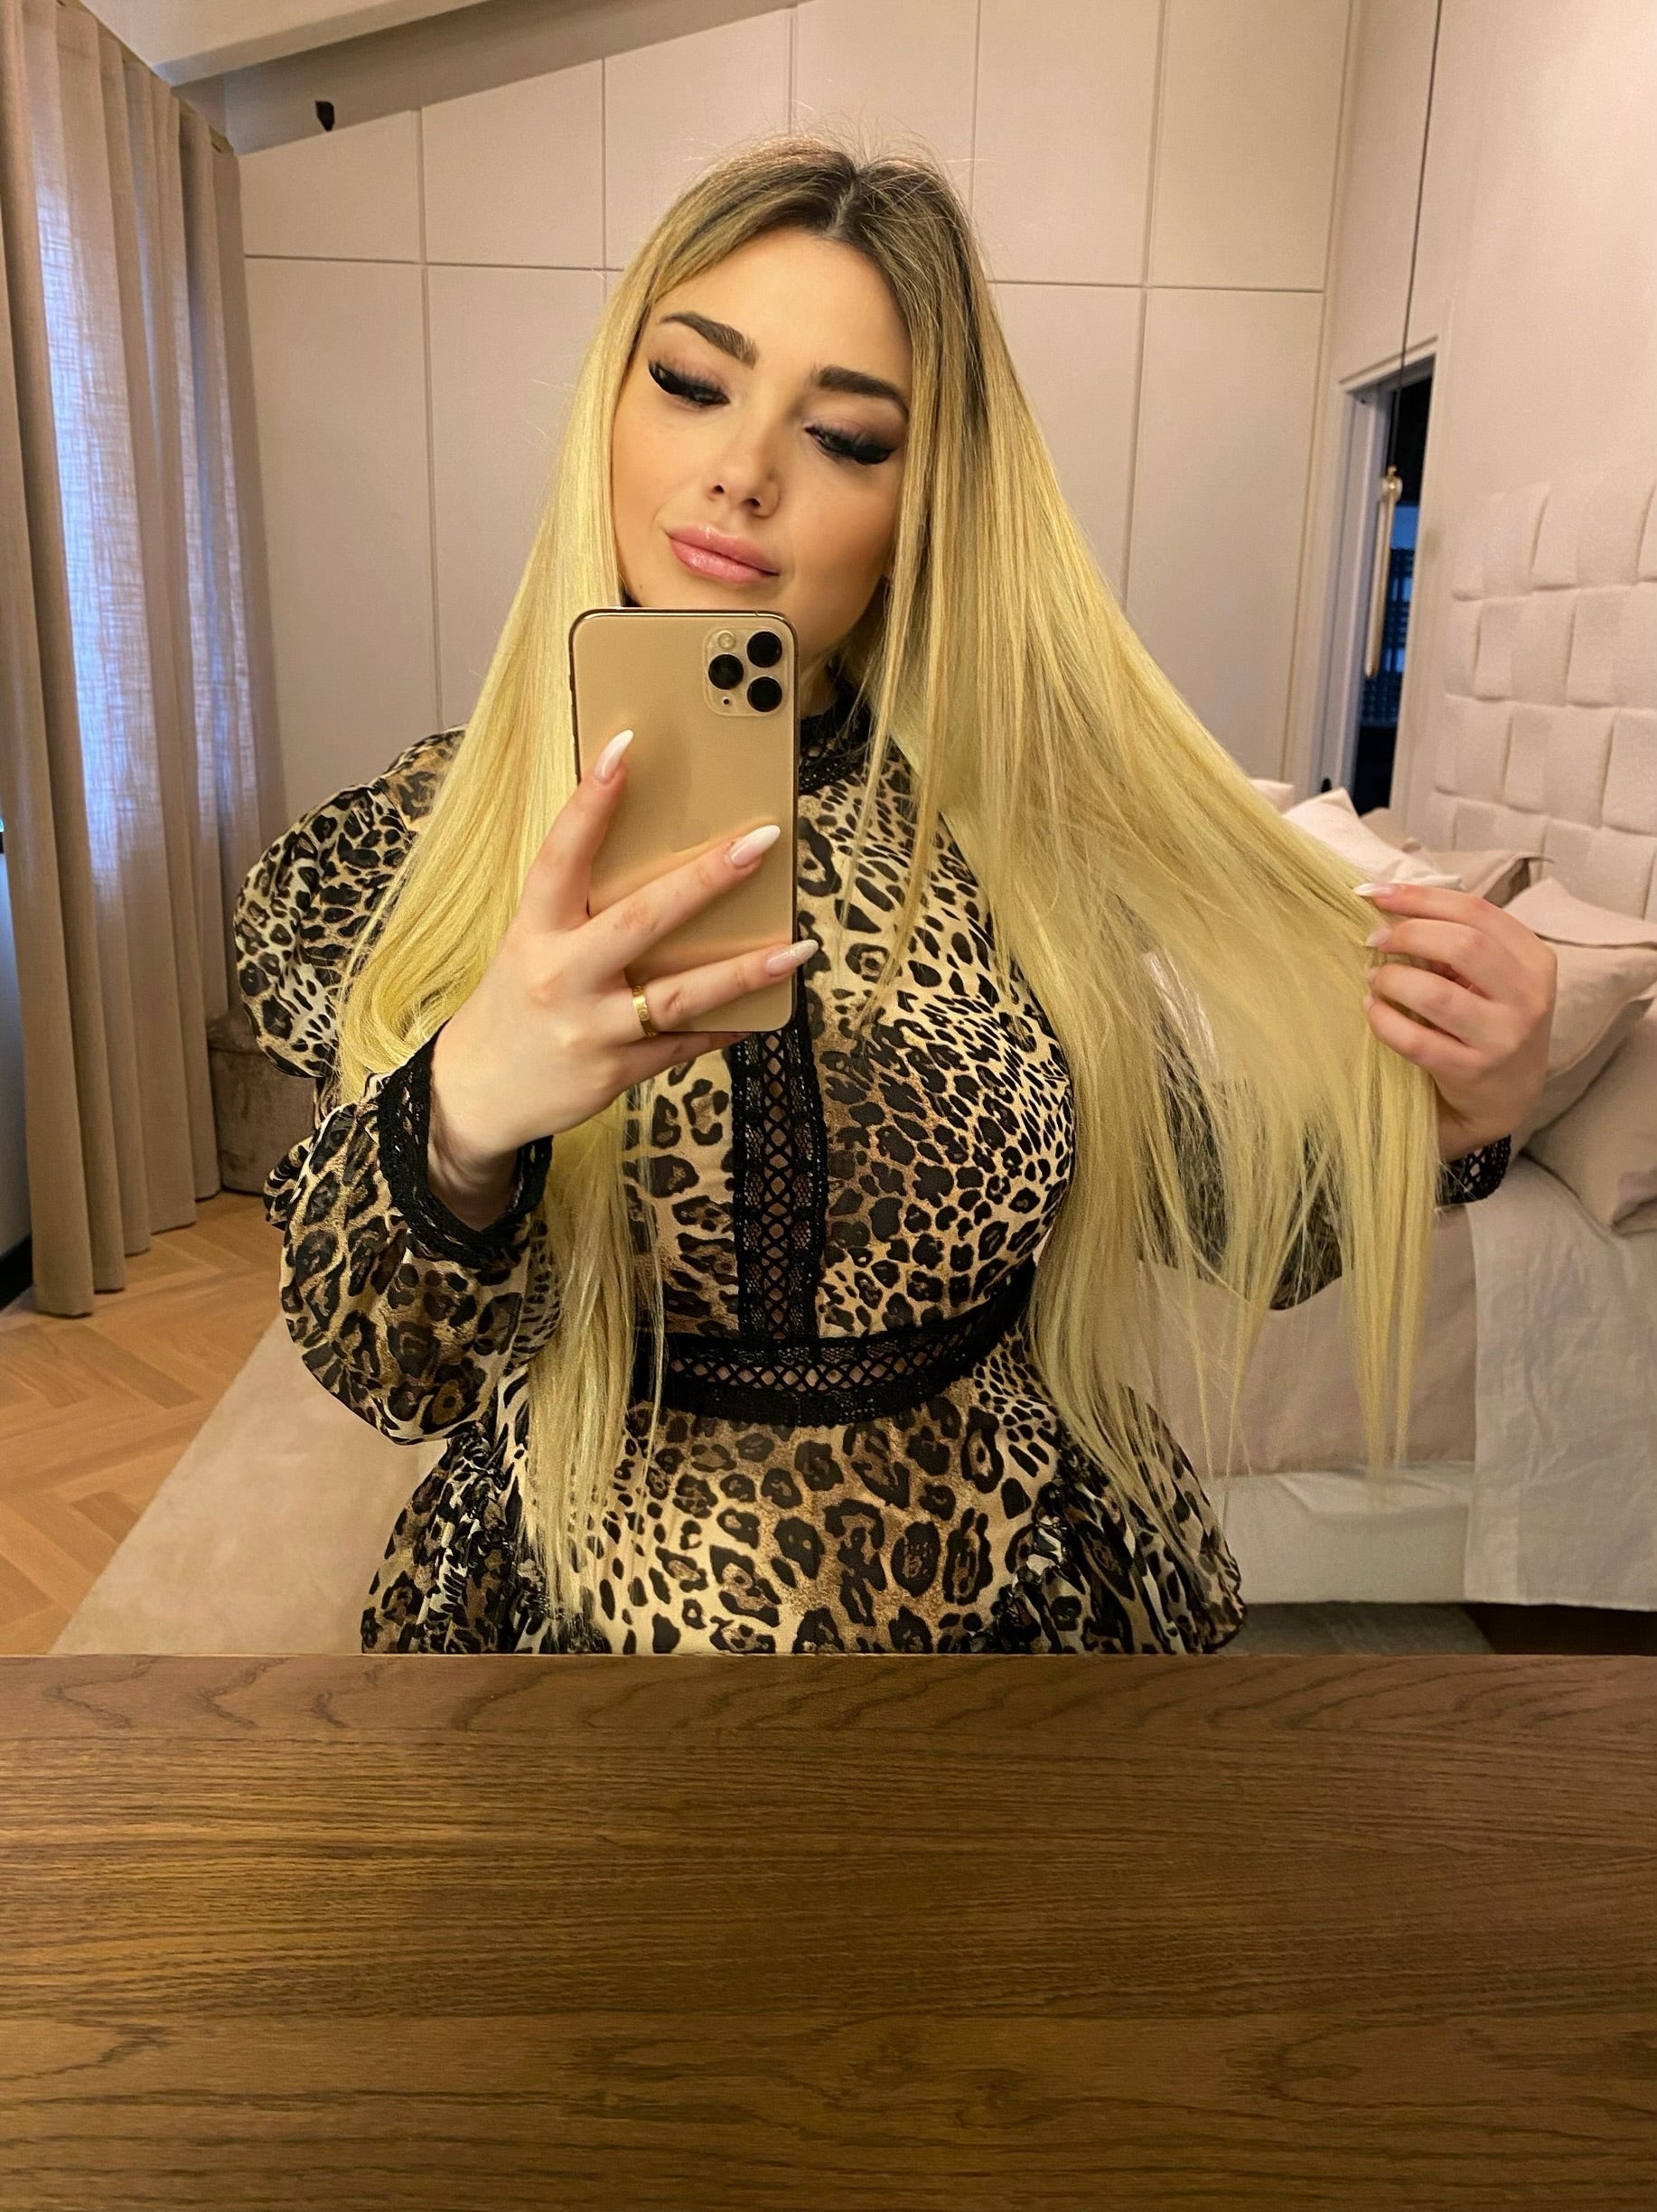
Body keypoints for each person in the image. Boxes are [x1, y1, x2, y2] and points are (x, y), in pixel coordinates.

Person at [233, 134, 1552, 1656]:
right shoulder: (410, 853)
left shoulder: (1018, 839)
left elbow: (1227, 1216)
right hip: (569, 1646)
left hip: (1009, 1626)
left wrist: (1448, 1115)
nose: (743, 470)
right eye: (691, 382)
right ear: (609, 404)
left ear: (924, 499)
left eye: (848, 438)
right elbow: (386, 1369)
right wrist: (466, 1109)